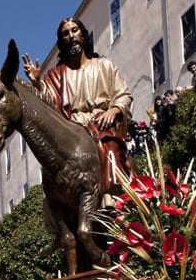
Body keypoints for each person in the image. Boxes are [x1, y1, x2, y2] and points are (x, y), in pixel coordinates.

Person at [22, 18, 133, 197]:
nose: (71, 36)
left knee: (110, 146)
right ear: (62, 41)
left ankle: (112, 197)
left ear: (82, 34)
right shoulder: (57, 75)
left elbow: (124, 95)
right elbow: (48, 106)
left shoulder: (104, 65)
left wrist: (114, 110)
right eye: (66, 33)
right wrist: (37, 84)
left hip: (101, 124)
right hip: (72, 130)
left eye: (74, 30)